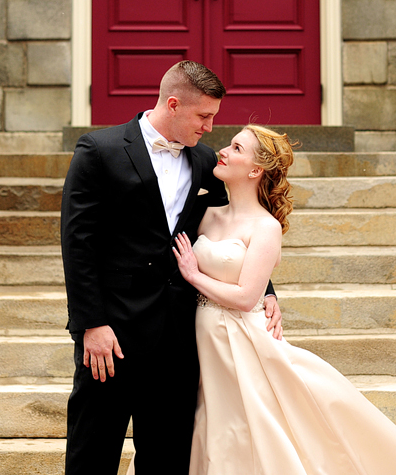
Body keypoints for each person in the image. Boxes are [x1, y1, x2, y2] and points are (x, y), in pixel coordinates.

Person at [142, 124, 396, 475]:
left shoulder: (266, 227)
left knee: (256, 427)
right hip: (199, 342)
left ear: (256, 170)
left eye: (237, 148)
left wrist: (195, 275)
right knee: (215, 429)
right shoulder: (205, 213)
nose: (222, 151)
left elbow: (244, 296)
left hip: (245, 341)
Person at [60, 61, 282, 475]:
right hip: (113, 330)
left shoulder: (203, 162)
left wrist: (265, 289)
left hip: (178, 334)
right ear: (174, 104)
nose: (210, 127)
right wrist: (91, 324)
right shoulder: (99, 150)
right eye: (204, 116)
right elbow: (77, 245)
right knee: (94, 449)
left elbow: (236, 224)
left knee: (167, 456)